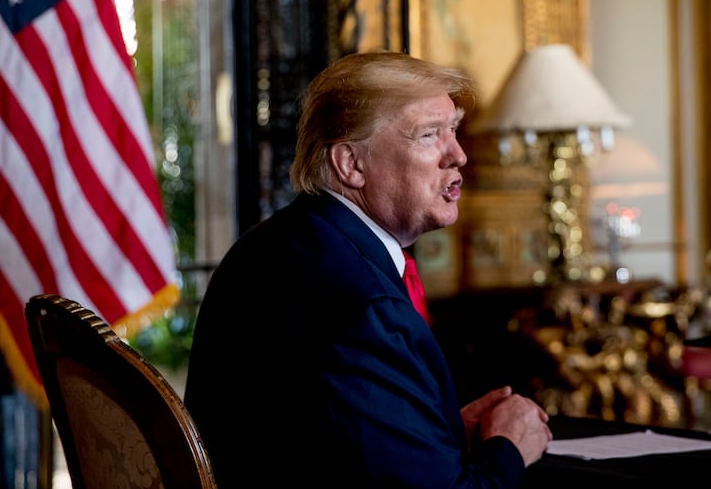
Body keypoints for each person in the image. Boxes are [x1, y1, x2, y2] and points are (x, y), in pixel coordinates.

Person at [183, 51, 553, 487]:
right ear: (351, 164)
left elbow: (320, 437)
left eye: (452, 129)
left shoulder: (281, 242)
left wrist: (440, 432)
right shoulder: (361, 301)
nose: (458, 155)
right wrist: (510, 447)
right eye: (428, 134)